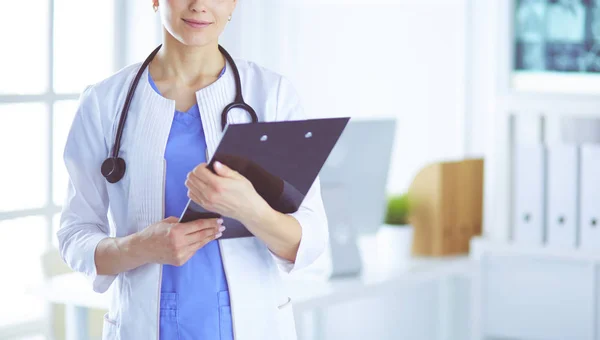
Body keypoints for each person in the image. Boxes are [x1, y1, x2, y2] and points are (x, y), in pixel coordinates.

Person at [56, 0, 328, 339]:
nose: (199, 5)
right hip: (144, 327)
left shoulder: (271, 95)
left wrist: (249, 207)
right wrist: (139, 247)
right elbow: (74, 234)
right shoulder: (103, 102)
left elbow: (311, 238)